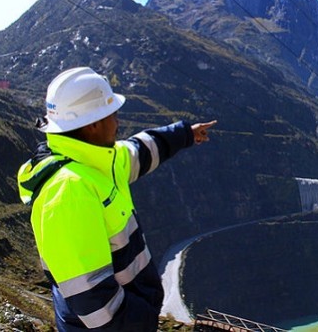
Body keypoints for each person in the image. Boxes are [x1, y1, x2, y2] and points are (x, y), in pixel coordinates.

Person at [17, 67, 216, 331]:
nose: (118, 122)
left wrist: (185, 134)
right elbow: (92, 299)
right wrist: (141, 319)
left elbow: (140, 151)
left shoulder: (98, 160)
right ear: (93, 124)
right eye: (113, 115)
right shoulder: (68, 191)